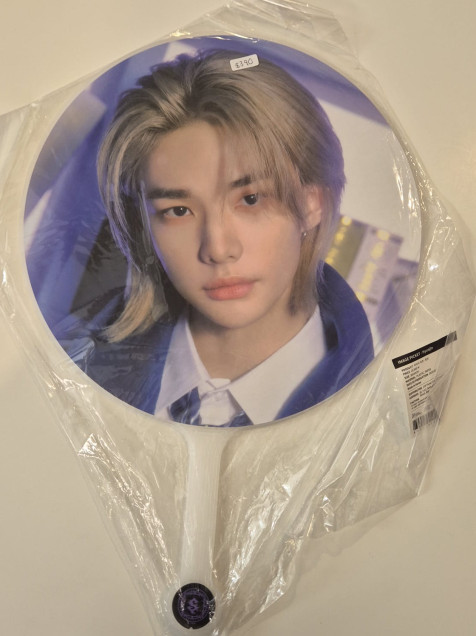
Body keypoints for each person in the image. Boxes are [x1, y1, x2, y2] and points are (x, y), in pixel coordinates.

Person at [82, 48, 373, 426]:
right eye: (178, 211)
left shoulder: (384, 406)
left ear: (312, 203)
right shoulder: (68, 362)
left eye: (250, 199)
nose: (218, 249)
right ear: (145, 227)